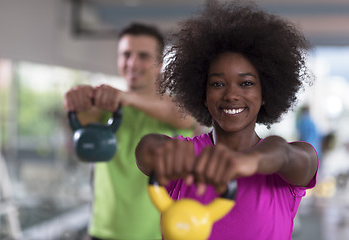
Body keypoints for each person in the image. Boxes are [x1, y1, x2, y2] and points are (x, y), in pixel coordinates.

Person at [135, 1, 319, 239]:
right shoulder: (185, 155)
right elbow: (147, 148)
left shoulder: (290, 165)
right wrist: (166, 153)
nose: (231, 95)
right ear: (202, 93)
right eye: (218, 84)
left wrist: (248, 161)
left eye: (246, 83)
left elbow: (282, 153)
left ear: (266, 94)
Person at [64, 23, 197, 240]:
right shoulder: (106, 110)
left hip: (158, 235)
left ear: (159, 64)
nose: (132, 63)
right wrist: (73, 99)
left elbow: (184, 116)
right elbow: (79, 114)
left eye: (143, 56)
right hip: (101, 234)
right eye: (126, 55)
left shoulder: (175, 109)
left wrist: (127, 98)